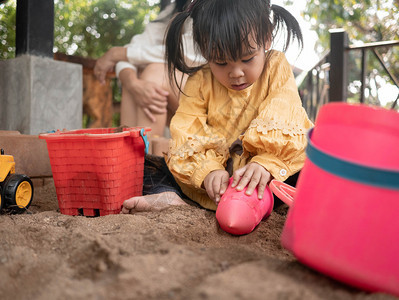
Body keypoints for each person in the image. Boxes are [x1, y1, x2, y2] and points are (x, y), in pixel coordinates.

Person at [121, 0, 313, 214]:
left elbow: (284, 111)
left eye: (247, 59)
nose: (236, 73)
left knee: (309, 168)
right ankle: (171, 198)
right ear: (203, 48)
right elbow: (188, 130)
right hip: (216, 186)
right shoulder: (200, 81)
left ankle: (265, 204)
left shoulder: (276, 65)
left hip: (262, 178)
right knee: (149, 167)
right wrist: (207, 172)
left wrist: (265, 164)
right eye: (221, 63)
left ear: (267, 37)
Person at [93, 0, 205, 137]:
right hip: (185, 95)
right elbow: (135, 47)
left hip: (218, 99)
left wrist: (118, 53)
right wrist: (132, 82)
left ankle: (147, 155)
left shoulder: (215, 5)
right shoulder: (174, 9)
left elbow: (190, 54)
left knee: (155, 73)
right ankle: (136, 156)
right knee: (136, 79)